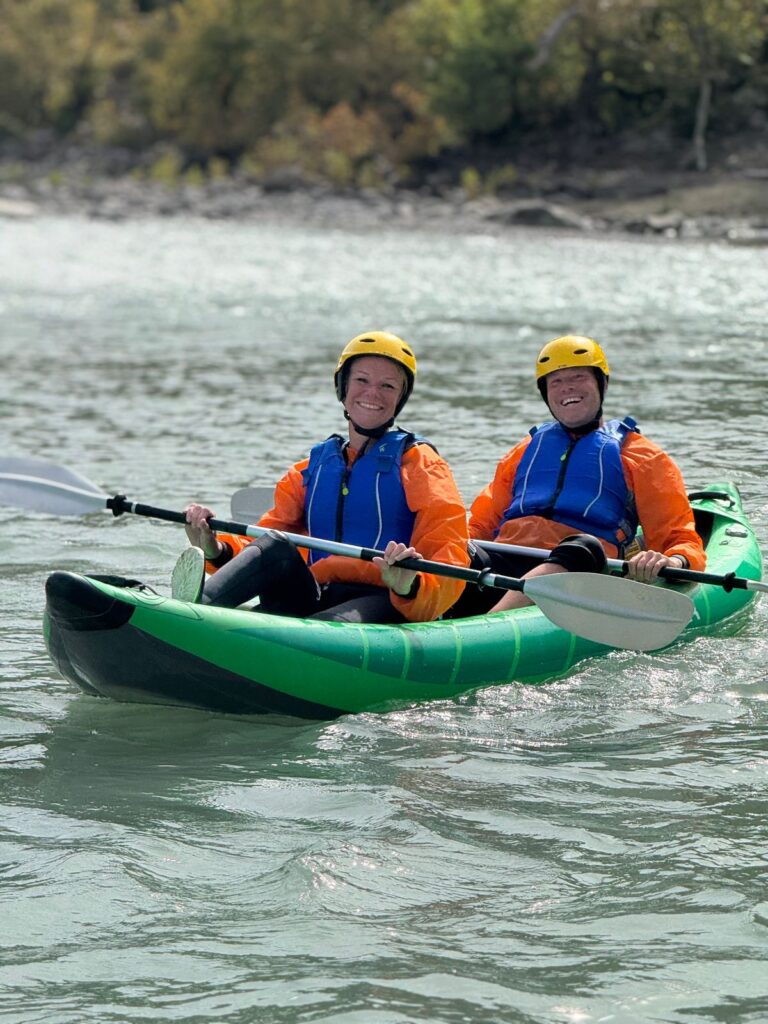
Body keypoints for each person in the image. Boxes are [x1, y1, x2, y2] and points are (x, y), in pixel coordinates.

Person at [181, 331, 469, 622]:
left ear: (400, 398)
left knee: (326, 623)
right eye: (362, 380)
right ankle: (188, 611)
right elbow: (257, 547)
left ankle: (201, 623)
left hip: (386, 598)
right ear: (343, 387)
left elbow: (449, 555)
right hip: (317, 591)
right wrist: (215, 549)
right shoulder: (311, 470)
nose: (373, 393)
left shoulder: (422, 466)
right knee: (276, 544)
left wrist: (410, 584)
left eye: (388, 385)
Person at [449, 334, 706, 617]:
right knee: (459, 547)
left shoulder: (643, 457)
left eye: (578, 377)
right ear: (545, 393)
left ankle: (493, 622)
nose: (567, 387)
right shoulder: (523, 452)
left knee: (583, 546)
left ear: (601, 383)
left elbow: (679, 538)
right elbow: (481, 526)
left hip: (580, 575)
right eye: (556, 381)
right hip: (506, 562)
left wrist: (675, 561)